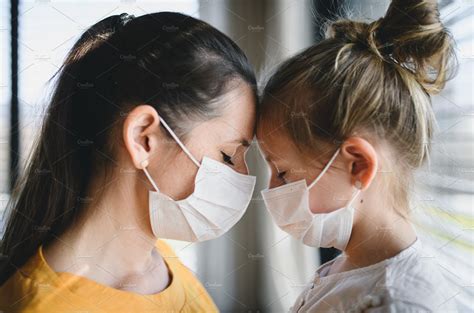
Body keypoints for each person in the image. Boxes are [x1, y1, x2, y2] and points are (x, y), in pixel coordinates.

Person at [0, 11, 257, 312]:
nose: (243, 176)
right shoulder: (42, 307)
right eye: (228, 155)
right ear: (143, 138)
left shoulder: (162, 263)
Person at [257, 0, 459, 311]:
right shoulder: (347, 267)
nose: (270, 190)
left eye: (283, 172)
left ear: (358, 165)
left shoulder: (399, 303)